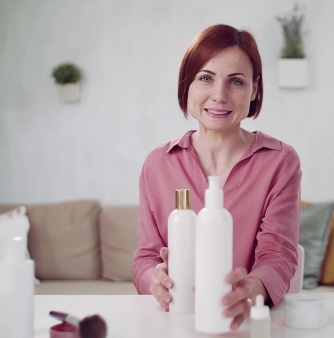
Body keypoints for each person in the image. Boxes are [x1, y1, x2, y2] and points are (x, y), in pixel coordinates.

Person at [132, 24, 301, 331]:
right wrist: (152, 278)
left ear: (255, 89)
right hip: (176, 323)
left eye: (235, 81)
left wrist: (253, 290)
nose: (219, 96)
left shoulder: (280, 161)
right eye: (206, 78)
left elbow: (279, 254)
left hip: (246, 325)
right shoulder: (158, 163)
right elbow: (145, 256)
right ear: (188, 84)